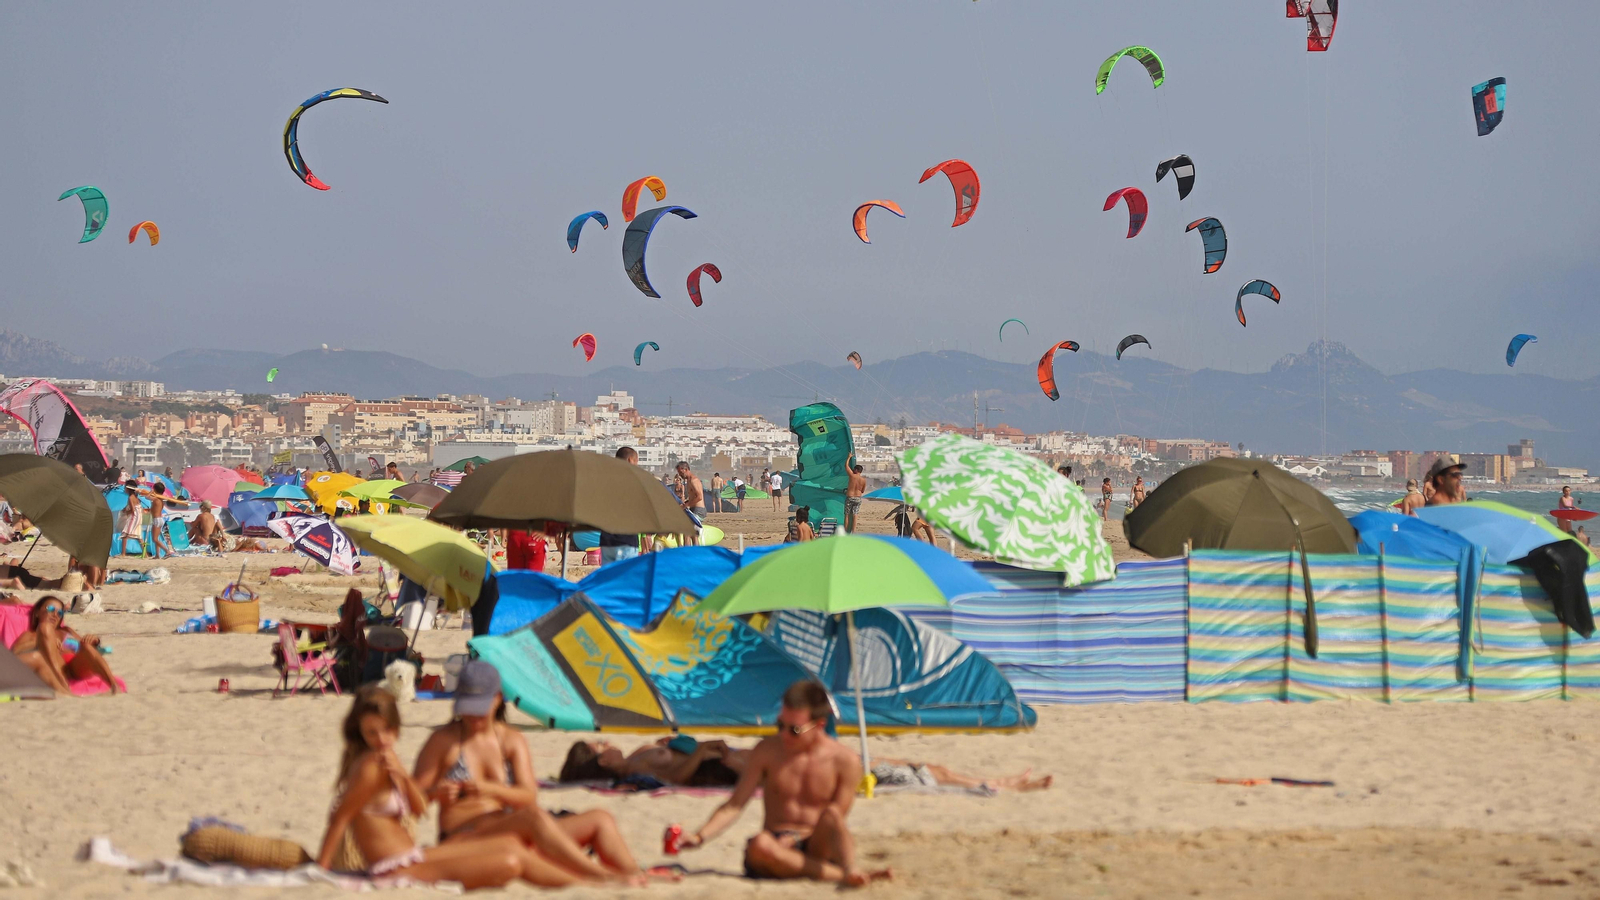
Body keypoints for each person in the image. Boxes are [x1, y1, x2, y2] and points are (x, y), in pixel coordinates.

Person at [317, 686, 576, 888]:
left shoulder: (388, 760)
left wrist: (404, 776)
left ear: (396, 727)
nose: (382, 739)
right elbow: (340, 817)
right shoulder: (369, 766)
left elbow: (418, 810)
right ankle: (586, 883)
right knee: (510, 861)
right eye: (371, 733)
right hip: (393, 869)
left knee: (510, 844)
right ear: (360, 732)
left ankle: (590, 882)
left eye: (386, 730)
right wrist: (321, 868)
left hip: (411, 856)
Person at [412, 662, 644, 885]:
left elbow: (528, 796)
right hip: (464, 837)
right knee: (532, 817)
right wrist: (435, 793)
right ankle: (599, 876)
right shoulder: (444, 741)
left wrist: (491, 789)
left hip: (514, 830)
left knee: (600, 819)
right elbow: (411, 800)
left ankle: (638, 876)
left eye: (479, 709)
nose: (473, 718)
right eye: (468, 709)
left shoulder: (511, 740)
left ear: (497, 698)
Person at [675, 681, 892, 886]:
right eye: (780, 725)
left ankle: (849, 868)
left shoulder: (845, 761)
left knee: (832, 815)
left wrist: (797, 837)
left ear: (820, 725)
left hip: (816, 842)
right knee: (760, 844)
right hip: (774, 843)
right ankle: (843, 875)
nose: (784, 734)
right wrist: (699, 837)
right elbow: (734, 805)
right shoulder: (767, 751)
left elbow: (837, 818)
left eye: (794, 730)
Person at [561, 737, 1049, 793]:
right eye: (600, 746)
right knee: (910, 768)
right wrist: (705, 752)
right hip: (761, 766)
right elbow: (678, 777)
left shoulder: (638, 762)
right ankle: (995, 784)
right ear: (599, 759)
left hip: (759, 759)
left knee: (904, 763)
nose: (607, 743)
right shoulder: (637, 767)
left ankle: (993, 781)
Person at [10, 596, 120, 696]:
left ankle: (114, 685)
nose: (55, 615)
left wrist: (94, 641)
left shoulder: (66, 631)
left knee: (87, 647)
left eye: (60, 613)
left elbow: (89, 650)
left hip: (76, 669)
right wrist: (41, 641)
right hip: (54, 669)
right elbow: (15, 653)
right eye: (51, 609)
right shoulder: (30, 635)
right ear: (37, 612)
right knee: (45, 627)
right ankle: (61, 682)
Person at [597, 448, 644, 563]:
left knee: (610, 574)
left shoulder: (605, 479)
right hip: (626, 539)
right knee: (627, 574)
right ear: (630, 460)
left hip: (607, 540)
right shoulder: (634, 480)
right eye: (636, 461)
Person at [675, 462, 706, 543]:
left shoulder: (693, 480)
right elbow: (693, 497)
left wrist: (686, 505)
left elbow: (699, 497)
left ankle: (687, 550)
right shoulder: (688, 481)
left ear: (685, 469)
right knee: (693, 535)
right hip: (693, 509)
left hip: (698, 510)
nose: (680, 475)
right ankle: (695, 550)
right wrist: (685, 503)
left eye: (681, 473)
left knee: (686, 533)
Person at [147, 483, 175, 559]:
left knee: (155, 539)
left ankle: (167, 551)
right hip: (160, 519)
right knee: (157, 538)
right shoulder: (161, 500)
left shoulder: (156, 499)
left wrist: (151, 492)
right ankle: (157, 555)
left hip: (156, 520)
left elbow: (147, 497)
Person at [118, 484, 144, 557]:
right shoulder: (135, 497)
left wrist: (126, 512)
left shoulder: (130, 497)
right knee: (139, 536)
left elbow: (132, 510)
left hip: (133, 517)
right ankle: (145, 553)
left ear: (128, 489)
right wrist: (126, 508)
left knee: (125, 534)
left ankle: (123, 554)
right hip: (138, 517)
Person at [844, 460, 865, 534]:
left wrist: (849, 457)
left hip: (850, 497)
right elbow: (862, 491)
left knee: (847, 515)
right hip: (858, 498)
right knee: (855, 515)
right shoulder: (863, 480)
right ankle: (853, 531)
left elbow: (846, 466)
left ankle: (845, 531)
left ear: (856, 470)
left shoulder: (852, 476)